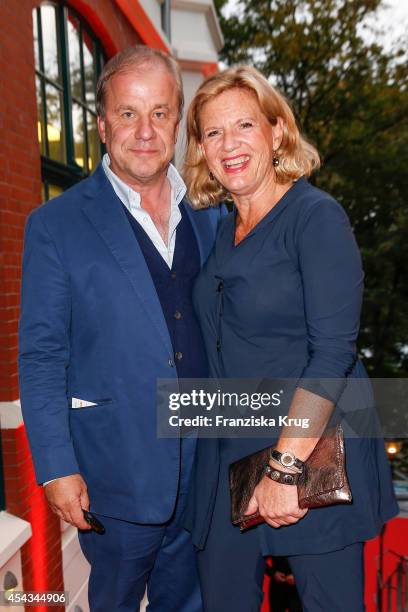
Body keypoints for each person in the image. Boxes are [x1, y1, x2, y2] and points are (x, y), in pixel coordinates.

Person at [183, 66, 399, 611]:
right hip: (231, 449)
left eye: (244, 126)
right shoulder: (222, 230)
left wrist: (286, 467)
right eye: (213, 133)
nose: (229, 145)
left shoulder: (316, 218)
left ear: (276, 132)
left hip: (312, 450)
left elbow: (333, 354)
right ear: (202, 148)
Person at [18, 45, 223, 612]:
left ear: (178, 124)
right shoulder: (55, 225)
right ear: (103, 125)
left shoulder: (211, 214)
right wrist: (56, 467)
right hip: (117, 476)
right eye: (128, 114)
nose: (145, 130)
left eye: (159, 112)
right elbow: (41, 356)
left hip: (205, 471)